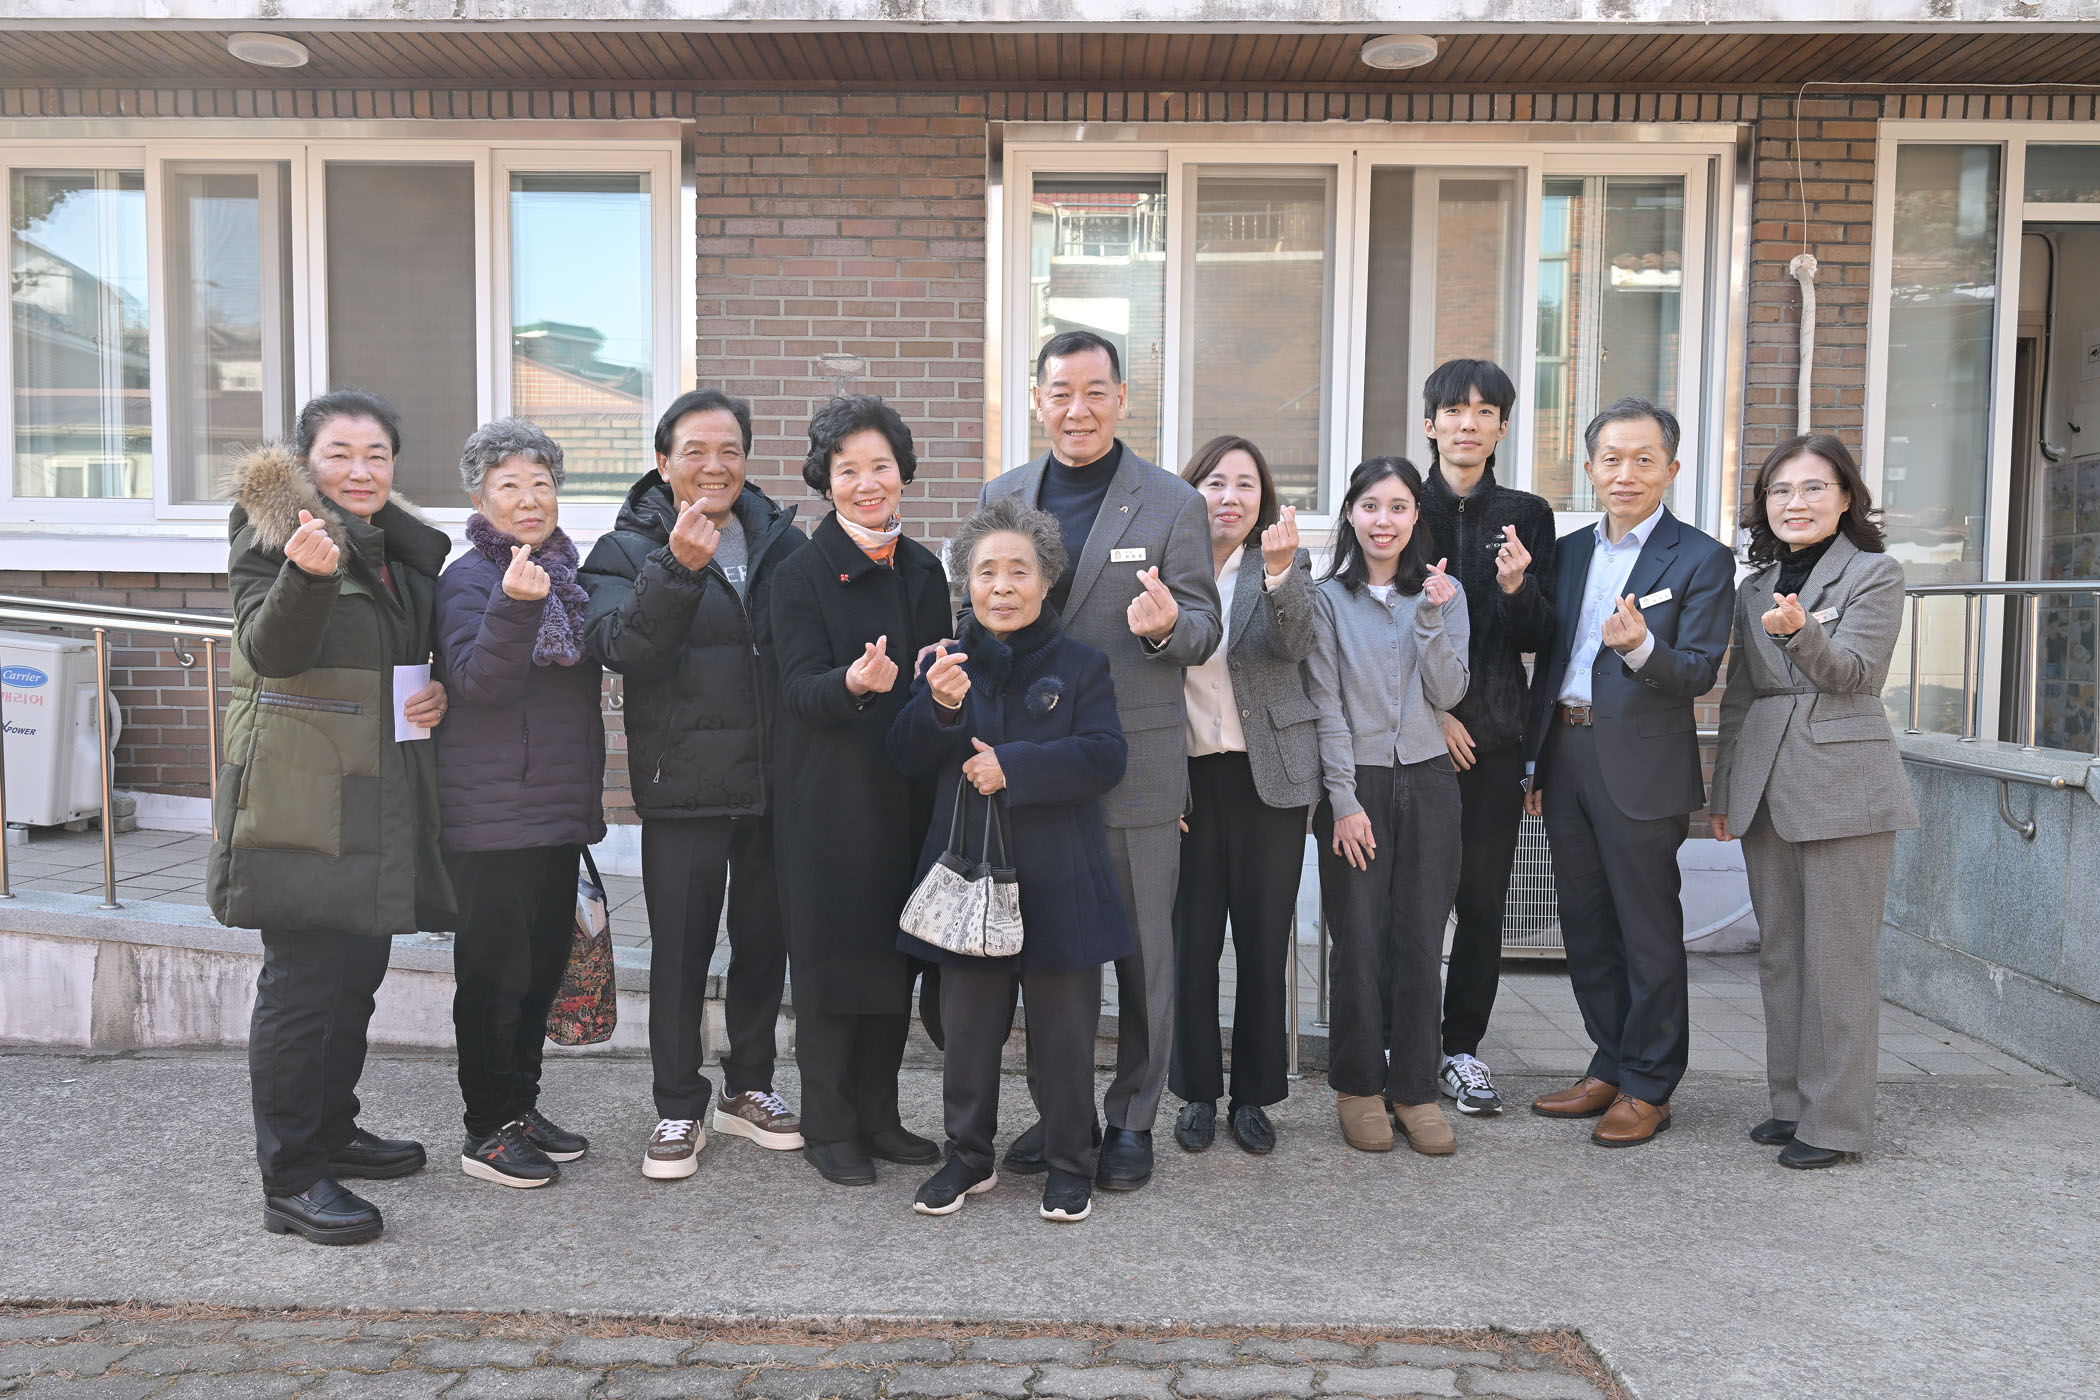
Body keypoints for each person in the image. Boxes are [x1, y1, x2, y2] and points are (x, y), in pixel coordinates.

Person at [210, 389, 455, 1245]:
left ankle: (331, 1130)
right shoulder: (275, 533)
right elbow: (268, 650)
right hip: (301, 794)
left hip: (375, 786)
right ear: (305, 462)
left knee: (356, 974)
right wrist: (306, 578)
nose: (360, 470)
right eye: (340, 454)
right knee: (303, 986)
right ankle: (290, 1180)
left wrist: (433, 692)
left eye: (376, 454)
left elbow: (395, 660)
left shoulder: (390, 548)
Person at [981, 329, 1222, 1193]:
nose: (1076, 410)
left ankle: (1132, 1119)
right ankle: (1064, 1115)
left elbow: (1204, 627)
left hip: (1136, 765)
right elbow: (985, 605)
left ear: (1121, 398)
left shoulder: (1171, 502)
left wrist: (1167, 627)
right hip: (1035, 771)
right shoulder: (1004, 493)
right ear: (1037, 399)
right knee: (1051, 958)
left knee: (1144, 954)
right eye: (1060, 393)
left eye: (1094, 392)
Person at [581, 388, 808, 1180]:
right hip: (682, 782)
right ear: (662, 462)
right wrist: (677, 568)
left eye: (730, 451)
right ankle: (678, 1103)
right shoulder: (624, 549)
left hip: (773, 783)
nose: (715, 466)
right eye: (696, 452)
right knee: (680, 951)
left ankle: (750, 1087)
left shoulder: (783, 540)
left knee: (763, 945)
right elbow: (619, 646)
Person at [887, 496, 1131, 1223]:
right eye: (986, 571)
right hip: (968, 877)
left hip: (1062, 877)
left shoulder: (1083, 665)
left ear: (1046, 579)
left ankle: (1069, 1160)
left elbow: (1106, 757)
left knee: (1063, 1037)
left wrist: (1015, 767)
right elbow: (904, 757)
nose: (1002, 586)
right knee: (967, 1032)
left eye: (1019, 570)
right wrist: (937, 707)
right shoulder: (944, 663)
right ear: (966, 582)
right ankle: (968, 1157)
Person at [1523, 398, 1735, 1147]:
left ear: (1670, 469)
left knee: (1646, 932)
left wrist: (1642, 648)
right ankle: (1608, 1063)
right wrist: (1535, 763)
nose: (1626, 473)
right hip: (1567, 750)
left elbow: (1700, 670)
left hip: (1642, 764)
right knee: (1584, 927)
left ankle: (1650, 1084)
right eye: (1611, 459)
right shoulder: (1568, 552)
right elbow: (1549, 658)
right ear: (1589, 468)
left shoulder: (1702, 558)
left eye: (1644, 460)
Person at [1709, 433, 1917, 1170]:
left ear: (1847, 496)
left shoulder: (1874, 573)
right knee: (1781, 955)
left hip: (1844, 785)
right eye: (1780, 491)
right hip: (1766, 780)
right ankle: (1793, 1104)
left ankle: (1836, 1124)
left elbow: (1857, 674)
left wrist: (1801, 636)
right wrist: (1725, 791)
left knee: (1838, 961)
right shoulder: (1754, 587)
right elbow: (1739, 696)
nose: (1794, 503)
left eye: (1813, 488)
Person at [768, 396, 954, 1187]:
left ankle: (880, 1116)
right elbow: (796, 690)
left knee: (893, 961)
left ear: (902, 473)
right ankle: (829, 1125)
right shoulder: (800, 571)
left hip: (909, 794)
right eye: (848, 470)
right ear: (826, 482)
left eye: (881, 466)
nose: (867, 483)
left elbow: (939, 672)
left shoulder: (923, 569)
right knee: (833, 967)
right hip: (829, 802)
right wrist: (851, 683)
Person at [432, 417, 605, 1189]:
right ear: (480, 499)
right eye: (510, 485)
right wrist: (512, 604)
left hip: (555, 811)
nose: (529, 498)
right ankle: (485, 1129)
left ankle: (521, 1108)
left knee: (538, 974)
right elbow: (478, 683)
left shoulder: (569, 576)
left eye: (541, 483)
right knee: (494, 979)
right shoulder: (469, 580)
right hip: (491, 819)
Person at [1307, 457, 1471, 1156]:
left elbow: (1451, 693)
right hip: (1358, 785)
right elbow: (1325, 704)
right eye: (1371, 506)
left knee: (1420, 939)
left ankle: (1415, 1089)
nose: (1384, 521)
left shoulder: (1443, 593)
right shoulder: (1325, 600)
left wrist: (1431, 616)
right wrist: (1343, 799)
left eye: (1399, 507)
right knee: (1358, 938)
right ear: (1351, 513)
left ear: (1415, 517)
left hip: (1430, 780)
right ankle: (1357, 1087)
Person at [1167, 435, 1320, 1157]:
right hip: (1189, 780)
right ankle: (1196, 1092)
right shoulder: (1169, 569)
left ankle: (1254, 1096)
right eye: (1216, 483)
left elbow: (1297, 645)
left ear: (1264, 500)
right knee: (1191, 944)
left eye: (1246, 485)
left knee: (1262, 942)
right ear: (1191, 490)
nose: (1230, 497)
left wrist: (1282, 574)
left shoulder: (1286, 564)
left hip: (1270, 777)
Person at [1414, 359, 1557, 1117]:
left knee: (1480, 902)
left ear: (1502, 427)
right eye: (1454, 409)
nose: (1467, 423)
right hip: (1411, 740)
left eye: (1484, 411)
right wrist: (1433, 713)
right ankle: (1402, 1044)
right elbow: (1375, 626)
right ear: (1430, 422)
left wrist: (1515, 587)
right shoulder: (1400, 504)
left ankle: (1461, 1049)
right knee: (1409, 900)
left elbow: (1540, 636)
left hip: (1496, 740)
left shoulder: (1527, 514)